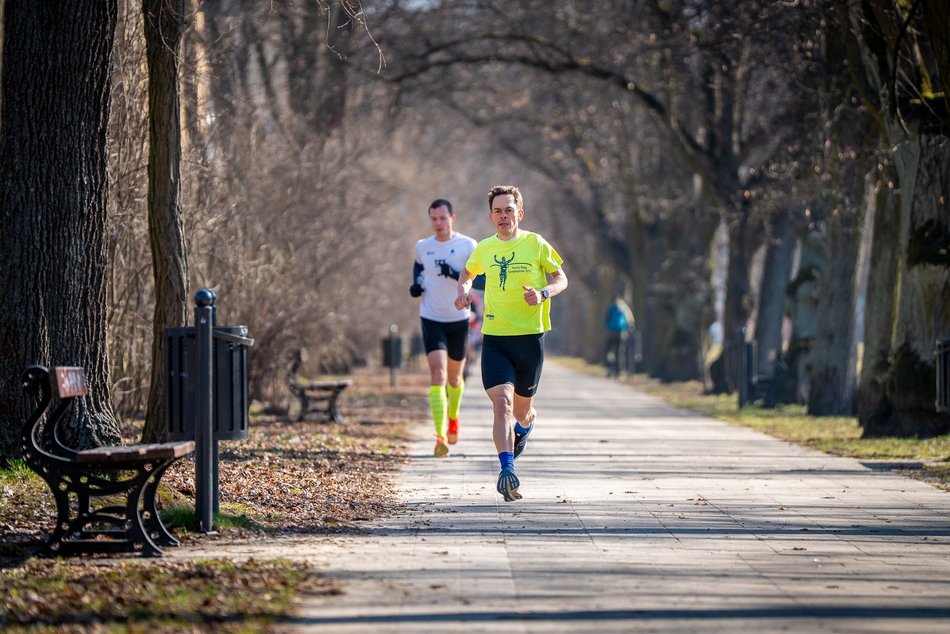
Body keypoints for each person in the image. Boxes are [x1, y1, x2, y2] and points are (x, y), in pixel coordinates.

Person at [455, 185, 568, 502]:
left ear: (520, 213)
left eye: (509, 210)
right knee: (501, 405)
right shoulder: (485, 248)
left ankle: (527, 426)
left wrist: (543, 293)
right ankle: (507, 469)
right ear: (491, 216)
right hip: (496, 339)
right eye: (498, 211)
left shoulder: (535, 243)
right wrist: (464, 291)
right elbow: (467, 273)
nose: (504, 216)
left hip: (530, 338)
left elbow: (561, 278)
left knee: (521, 411)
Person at [411, 199, 484, 457]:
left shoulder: (467, 245)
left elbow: (480, 280)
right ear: (430, 220)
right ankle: (440, 435)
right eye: (434, 219)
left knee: (454, 378)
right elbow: (419, 267)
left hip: (458, 319)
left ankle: (453, 417)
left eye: (443, 218)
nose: (439, 224)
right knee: (438, 375)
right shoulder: (423, 246)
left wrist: (453, 273)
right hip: (431, 317)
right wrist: (416, 284)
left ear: (453, 217)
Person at [604, 296, 634, 378]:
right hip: (621, 333)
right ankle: (619, 372)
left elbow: (606, 319)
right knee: (620, 353)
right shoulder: (625, 309)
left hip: (611, 333)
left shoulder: (612, 308)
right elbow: (631, 321)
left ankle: (610, 369)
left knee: (609, 351)